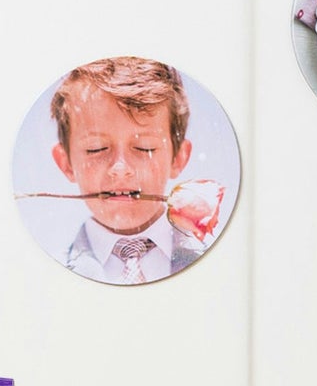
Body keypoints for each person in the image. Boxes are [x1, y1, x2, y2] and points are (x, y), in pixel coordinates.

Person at [48, 56, 219, 284]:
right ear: (66, 163)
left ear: (178, 158)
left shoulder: (220, 264)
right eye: (96, 149)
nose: (120, 169)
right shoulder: (46, 275)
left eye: (144, 148)